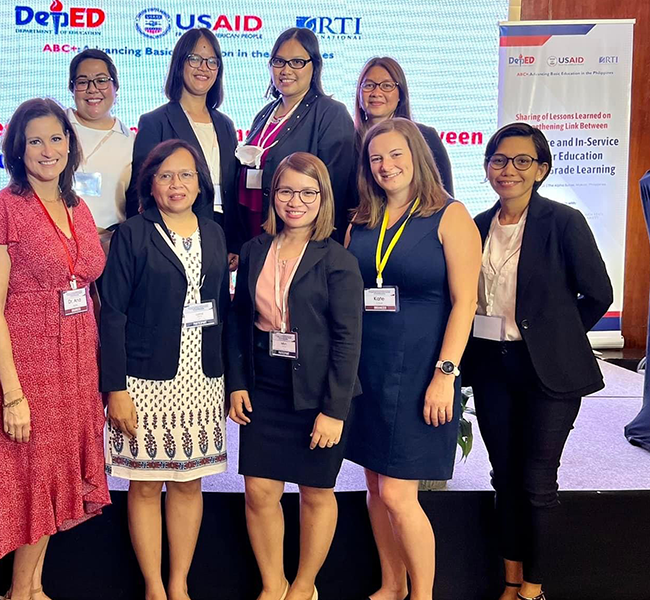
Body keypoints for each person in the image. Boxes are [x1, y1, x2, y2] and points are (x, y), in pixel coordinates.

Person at [0, 98, 110, 600]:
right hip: (25, 364)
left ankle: (29, 589)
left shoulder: (78, 206)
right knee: (29, 477)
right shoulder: (0, 210)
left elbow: (84, 283)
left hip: (74, 362)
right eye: (35, 140)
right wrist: (10, 394)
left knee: (52, 477)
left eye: (56, 138)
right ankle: (20, 592)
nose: (47, 150)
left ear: (70, 144)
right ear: (17, 149)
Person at [463, 123, 612, 600]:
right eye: (499, 160)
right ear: (487, 167)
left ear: (541, 169)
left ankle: (533, 588)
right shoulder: (476, 225)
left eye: (522, 161)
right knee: (503, 476)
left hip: (548, 373)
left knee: (536, 481)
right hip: (491, 366)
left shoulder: (563, 222)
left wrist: (554, 337)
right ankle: (510, 581)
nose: (509, 170)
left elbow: (598, 294)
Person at [344, 118, 481, 600]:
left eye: (396, 154)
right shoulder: (360, 219)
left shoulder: (450, 215)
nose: (386, 166)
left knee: (400, 494)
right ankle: (391, 584)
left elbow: (466, 302)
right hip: (367, 370)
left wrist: (446, 375)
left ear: (417, 156)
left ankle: (422, 595)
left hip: (423, 370)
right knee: (376, 490)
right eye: (376, 158)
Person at [229, 152, 364, 600]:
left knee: (315, 492)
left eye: (308, 192)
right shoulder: (253, 250)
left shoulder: (338, 260)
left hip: (318, 389)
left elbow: (348, 341)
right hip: (264, 384)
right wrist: (238, 383)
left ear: (322, 198)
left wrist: (334, 411)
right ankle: (274, 584)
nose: (295, 201)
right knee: (259, 491)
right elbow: (238, 321)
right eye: (286, 190)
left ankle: (304, 586)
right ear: (273, 195)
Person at [101, 139, 230, 600]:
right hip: (145, 381)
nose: (177, 184)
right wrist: (114, 389)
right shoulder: (133, 233)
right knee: (146, 486)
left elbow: (222, 309)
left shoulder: (214, 232)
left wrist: (232, 381)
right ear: (150, 184)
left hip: (203, 379)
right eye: (166, 175)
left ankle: (179, 585)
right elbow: (112, 313)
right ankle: (154, 588)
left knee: (189, 483)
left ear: (200, 183)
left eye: (186, 175)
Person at [126, 29, 241, 263]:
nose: (204, 68)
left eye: (212, 61)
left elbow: (232, 188)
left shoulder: (226, 124)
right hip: (171, 235)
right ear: (180, 64)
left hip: (219, 234)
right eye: (195, 59)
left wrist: (235, 241)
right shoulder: (155, 122)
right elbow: (141, 190)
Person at [236, 27, 357, 246]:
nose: (286, 70)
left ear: (315, 66)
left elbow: (333, 192)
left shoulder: (330, 114)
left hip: (303, 241)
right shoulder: (264, 114)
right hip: (256, 236)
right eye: (279, 61)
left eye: (297, 62)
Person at [353, 56, 454, 196]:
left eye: (387, 86)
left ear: (400, 93)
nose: (376, 93)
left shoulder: (426, 136)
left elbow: (444, 195)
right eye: (369, 85)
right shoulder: (346, 141)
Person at [66, 49, 135, 244]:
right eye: (82, 82)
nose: (92, 89)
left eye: (102, 80)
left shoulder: (131, 141)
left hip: (112, 247)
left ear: (115, 86)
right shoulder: (56, 129)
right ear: (72, 88)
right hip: (58, 245)